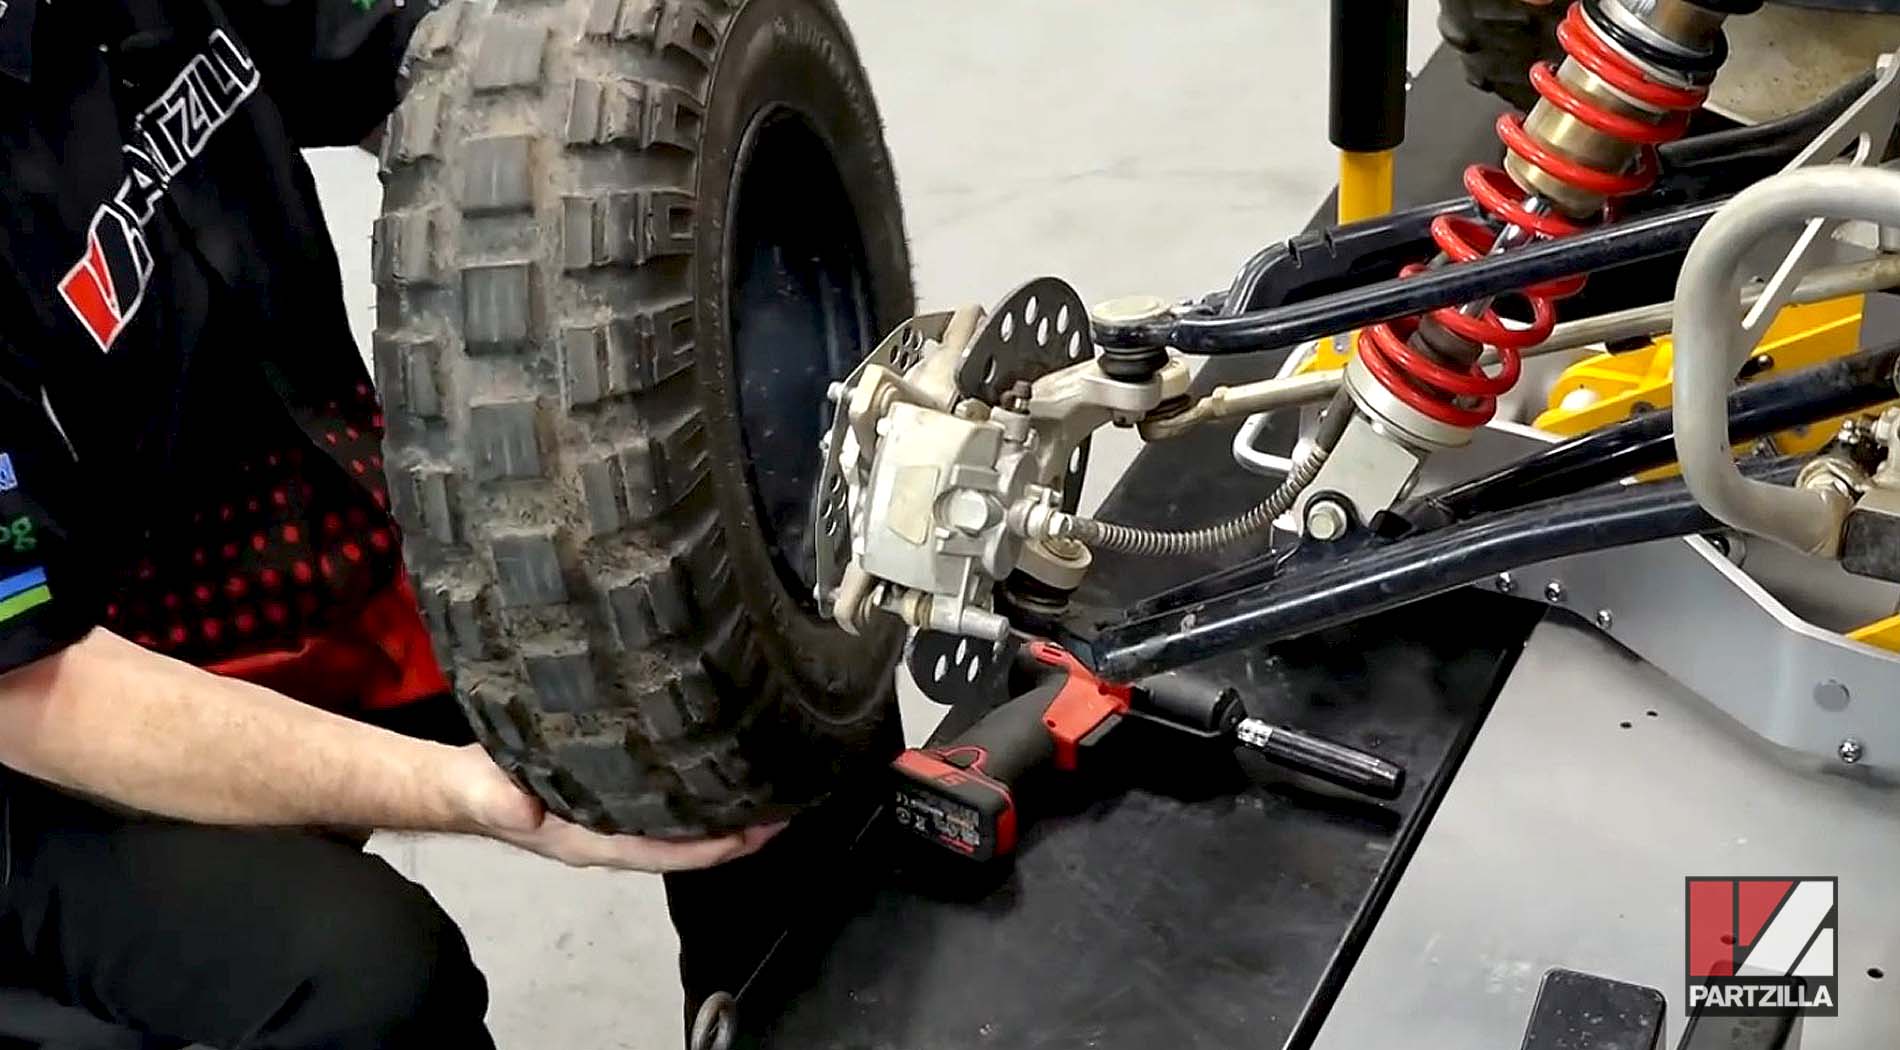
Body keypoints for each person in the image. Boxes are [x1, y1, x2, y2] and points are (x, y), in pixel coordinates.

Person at [0, 1, 774, 1045]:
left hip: (316, 543)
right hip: (62, 734)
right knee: (368, 985)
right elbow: (37, 691)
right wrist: (460, 790)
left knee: (731, 646)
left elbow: (455, 74)